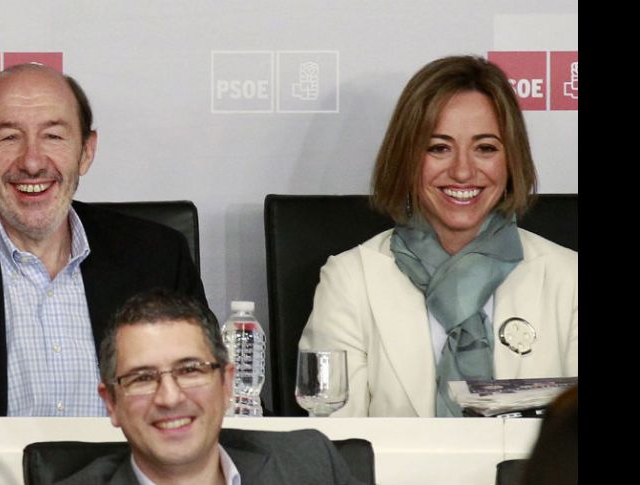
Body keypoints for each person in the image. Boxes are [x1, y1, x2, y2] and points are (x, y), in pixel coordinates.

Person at [299, 55, 577, 417]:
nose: (463, 171)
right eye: (439, 148)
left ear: (512, 161)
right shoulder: (351, 282)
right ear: (406, 158)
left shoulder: (569, 279)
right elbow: (335, 446)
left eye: (486, 148)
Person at [0, 64, 206, 417]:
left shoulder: (158, 257)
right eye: (9, 137)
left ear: (86, 151)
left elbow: (207, 400)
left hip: (122, 471)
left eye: (54, 136)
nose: (32, 162)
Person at [58, 288, 363, 485]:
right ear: (111, 402)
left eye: (190, 370)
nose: (170, 397)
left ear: (227, 383)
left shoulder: (309, 465)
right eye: (143, 378)